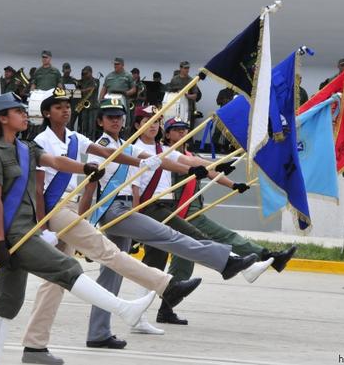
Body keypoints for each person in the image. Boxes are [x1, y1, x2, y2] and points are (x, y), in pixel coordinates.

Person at [20, 90, 201, 364]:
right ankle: (166, 285)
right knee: (107, 250)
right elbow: (38, 186)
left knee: (54, 281)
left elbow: (108, 153)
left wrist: (143, 161)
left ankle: (34, 346)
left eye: (67, 107)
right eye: (58, 107)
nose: (65, 111)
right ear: (47, 113)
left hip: (71, 205)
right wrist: (43, 225)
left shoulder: (74, 138)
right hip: (55, 209)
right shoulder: (40, 141)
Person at [0, 92, 156, 365]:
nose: (25, 115)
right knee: (66, 268)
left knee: (7, 299)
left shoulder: (27, 148)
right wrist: (0, 243)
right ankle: (124, 309)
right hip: (12, 233)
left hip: (26, 229)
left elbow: (56, 162)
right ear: (3, 118)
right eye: (18, 112)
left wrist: (85, 167)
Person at [80, 102, 268, 346]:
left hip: (125, 208)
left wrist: (197, 170)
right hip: (113, 210)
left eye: (118, 116)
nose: (115, 121)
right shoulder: (103, 147)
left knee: (111, 275)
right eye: (109, 117)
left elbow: (159, 160)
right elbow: (96, 179)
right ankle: (225, 261)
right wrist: (84, 225)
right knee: (168, 236)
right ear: (100, 121)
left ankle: (98, 334)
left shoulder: (125, 144)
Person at [158, 117, 296, 325]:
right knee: (224, 236)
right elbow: (200, 167)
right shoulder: (167, 156)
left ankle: (165, 309)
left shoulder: (190, 155)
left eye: (184, 129)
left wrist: (233, 185)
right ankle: (267, 256)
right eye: (176, 130)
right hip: (182, 213)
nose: (181, 133)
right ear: (167, 134)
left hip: (191, 211)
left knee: (182, 266)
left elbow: (211, 171)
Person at [99, 57, 136, 133]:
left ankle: (123, 132)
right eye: (114, 64)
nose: (115, 66)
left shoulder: (128, 75)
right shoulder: (109, 76)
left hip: (122, 99)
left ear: (122, 65)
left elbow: (133, 89)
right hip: (109, 99)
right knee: (110, 116)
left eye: (117, 64)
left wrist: (126, 93)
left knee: (124, 118)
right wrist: (100, 100)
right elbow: (104, 88)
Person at [163, 61, 201, 129]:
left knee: (186, 128)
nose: (187, 70)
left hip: (188, 109)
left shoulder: (191, 80)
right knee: (173, 127)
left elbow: (195, 96)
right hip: (175, 108)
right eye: (185, 68)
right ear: (180, 68)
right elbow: (170, 93)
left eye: (188, 68)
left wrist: (188, 96)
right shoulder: (174, 79)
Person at [77, 65, 100, 140]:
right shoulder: (82, 81)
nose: (85, 75)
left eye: (86, 73)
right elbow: (77, 89)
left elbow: (92, 88)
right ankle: (84, 140)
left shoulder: (96, 80)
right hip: (84, 106)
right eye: (84, 73)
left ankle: (91, 140)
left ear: (91, 72)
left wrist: (82, 90)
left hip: (93, 106)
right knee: (84, 126)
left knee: (92, 126)